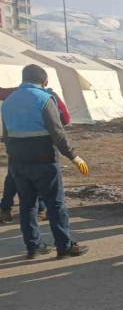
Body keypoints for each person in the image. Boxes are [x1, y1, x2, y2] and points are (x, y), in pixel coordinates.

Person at [0, 64, 89, 260]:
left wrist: (14, 155)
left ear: (23, 79)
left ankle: (34, 247)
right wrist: (73, 156)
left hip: (17, 162)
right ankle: (64, 246)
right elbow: (58, 132)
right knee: (55, 204)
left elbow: (6, 135)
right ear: (45, 81)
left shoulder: (7, 102)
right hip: (44, 161)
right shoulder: (45, 99)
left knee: (27, 205)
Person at [0, 86, 70, 223]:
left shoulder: (14, 94)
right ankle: (45, 212)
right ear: (44, 81)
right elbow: (65, 119)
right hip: (43, 148)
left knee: (14, 178)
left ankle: (5, 209)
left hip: (17, 149)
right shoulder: (49, 96)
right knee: (46, 181)